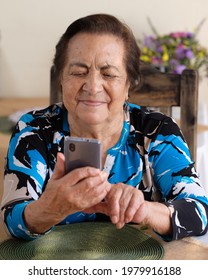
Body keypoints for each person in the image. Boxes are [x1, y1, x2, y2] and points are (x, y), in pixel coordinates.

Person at [1, 14, 208, 241]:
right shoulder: (34, 129)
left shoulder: (158, 131)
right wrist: (49, 209)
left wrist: (145, 210)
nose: (92, 86)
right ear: (61, 78)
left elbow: (199, 213)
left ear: (129, 84)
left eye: (108, 74)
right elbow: (12, 217)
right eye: (78, 72)